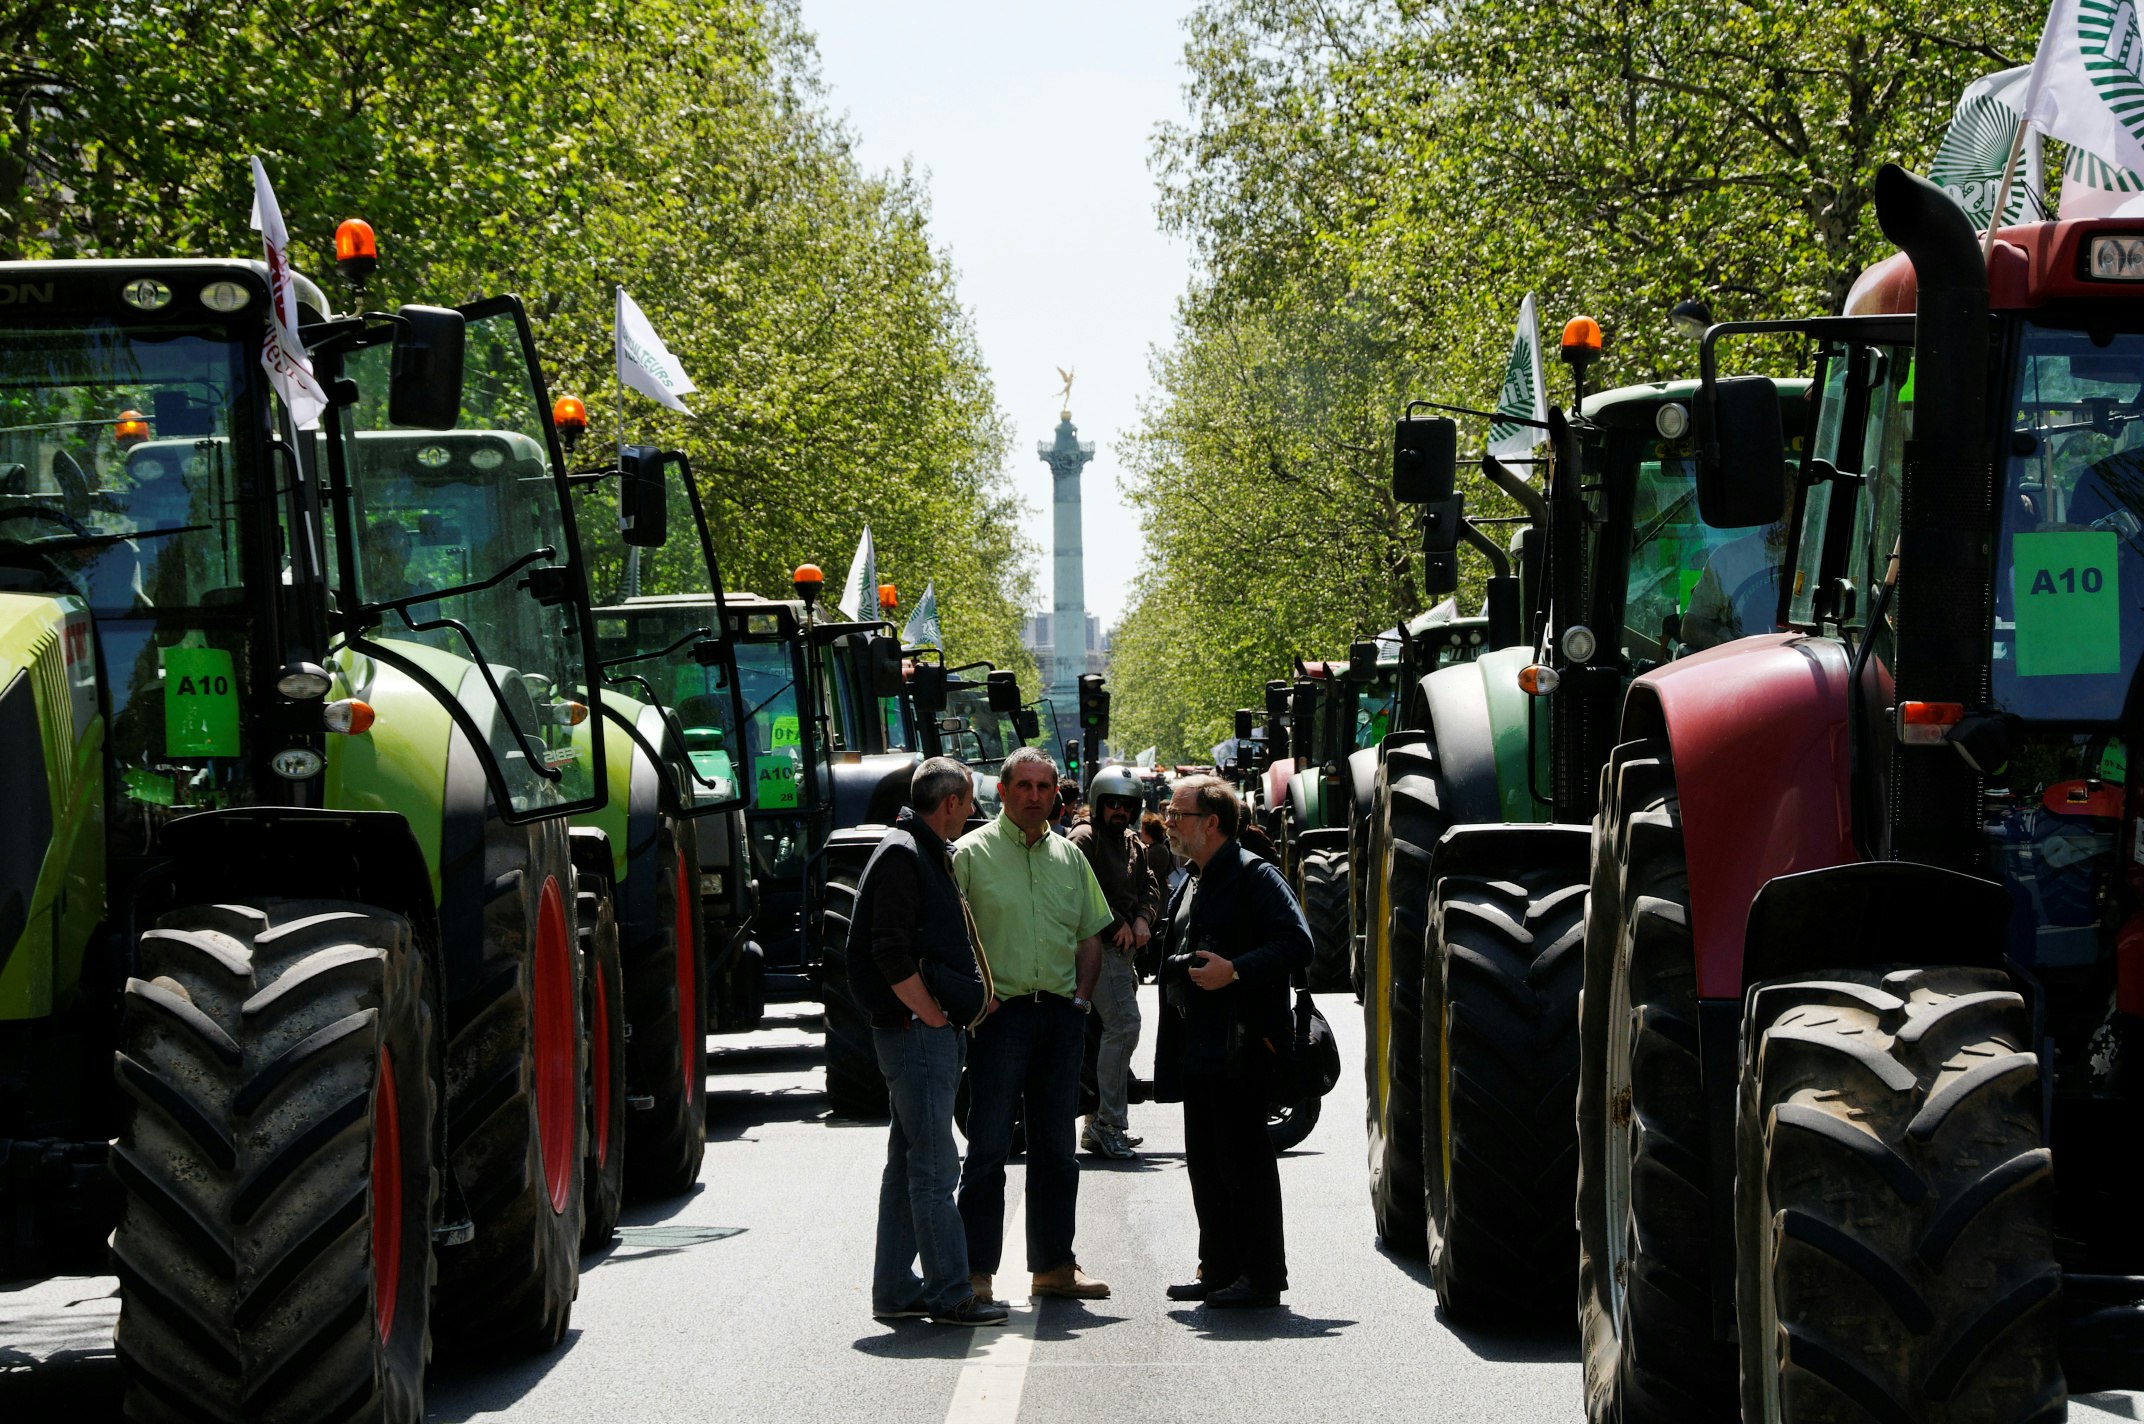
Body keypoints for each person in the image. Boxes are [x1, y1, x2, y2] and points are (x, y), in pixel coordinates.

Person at [847, 757, 1007, 1327]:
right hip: (917, 1033)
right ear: (952, 803)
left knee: (909, 1164)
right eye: (968, 802)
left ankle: (895, 1287)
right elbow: (888, 952)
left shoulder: (913, 847)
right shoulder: (905, 853)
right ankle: (950, 1294)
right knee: (936, 1169)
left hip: (919, 1031)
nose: (971, 812)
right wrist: (934, 1017)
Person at [953, 746, 1116, 1303]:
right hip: (1000, 1019)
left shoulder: (1070, 858)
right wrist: (978, 1003)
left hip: (1061, 1017)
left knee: (1057, 1150)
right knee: (988, 1147)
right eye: (1023, 786)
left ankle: (1053, 1268)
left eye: (1044, 787)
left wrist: (1082, 1002)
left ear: (1056, 794)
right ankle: (975, 1274)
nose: (1034, 796)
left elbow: (1091, 934)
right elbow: (949, 939)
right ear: (1001, 792)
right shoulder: (969, 855)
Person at [1154, 773, 1313, 1309]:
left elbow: (1298, 944)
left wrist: (1235, 971)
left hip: (1244, 1047)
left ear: (1212, 822)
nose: (1169, 823)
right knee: (1205, 1161)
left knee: (1245, 1162)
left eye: (1179, 815)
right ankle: (1219, 1268)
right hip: (1201, 1046)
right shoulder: (1193, 878)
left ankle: (1262, 1275)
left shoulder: (1255, 875)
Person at [1067, 766, 1163, 1160]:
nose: (1120, 812)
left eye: (1127, 805)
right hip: (1097, 949)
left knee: (1107, 1032)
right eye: (1113, 804)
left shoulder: (1131, 843)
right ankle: (1110, 1123)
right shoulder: (1084, 837)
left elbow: (1152, 886)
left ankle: (1094, 1121)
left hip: (1123, 954)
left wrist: (1143, 917)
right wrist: (1118, 923)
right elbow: (1078, 887)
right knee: (1124, 1027)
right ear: (1098, 803)